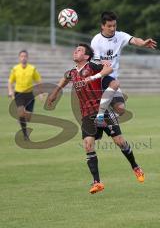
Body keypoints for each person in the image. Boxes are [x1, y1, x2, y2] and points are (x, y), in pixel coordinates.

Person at [47, 43, 145, 195]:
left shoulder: (92, 66)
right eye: (75, 49)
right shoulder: (72, 73)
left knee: (119, 142)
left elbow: (109, 69)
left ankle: (135, 166)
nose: (75, 51)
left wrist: (92, 77)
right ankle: (97, 182)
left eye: (79, 50)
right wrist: (55, 93)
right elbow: (64, 79)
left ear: (86, 56)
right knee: (88, 145)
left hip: (103, 110)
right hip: (86, 114)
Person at [91, 11, 157, 125]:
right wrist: (102, 63)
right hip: (100, 78)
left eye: (114, 25)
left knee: (120, 109)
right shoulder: (96, 40)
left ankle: (103, 117)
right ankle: (100, 116)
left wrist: (142, 43)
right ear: (102, 26)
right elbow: (95, 61)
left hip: (112, 77)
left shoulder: (120, 36)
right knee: (115, 84)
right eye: (109, 26)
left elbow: (134, 40)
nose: (112, 28)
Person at [8, 50, 43, 140]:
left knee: (27, 117)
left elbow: (38, 80)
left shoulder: (32, 68)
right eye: (21, 56)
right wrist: (10, 91)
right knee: (21, 111)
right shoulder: (15, 69)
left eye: (25, 56)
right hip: (19, 93)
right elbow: (10, 82)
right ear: (19, 58)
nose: (23, 58)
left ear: (27, 57)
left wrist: (40, 93)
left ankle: (21, 117)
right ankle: (25, 135)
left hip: (29, 94)